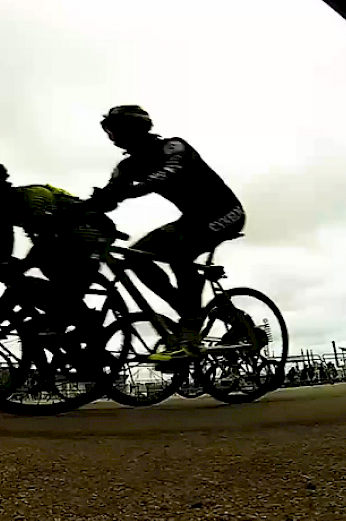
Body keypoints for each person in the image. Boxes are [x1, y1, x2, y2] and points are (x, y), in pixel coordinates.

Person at [86, 105, 246, 361]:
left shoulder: (173, 147)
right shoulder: (127, 166)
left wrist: (129, 191)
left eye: (115, 131)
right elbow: (110, 197)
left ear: (135, 128)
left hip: (227, 213)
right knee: (136, 256)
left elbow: (169, 174)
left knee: (180, 254)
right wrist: (83, 208)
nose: (112, 137)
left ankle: (191, 323)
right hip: (193, 219)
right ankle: (186, 310)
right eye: (109, 132)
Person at [0, 162, 117, 336]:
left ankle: (78, 321)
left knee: (45, 264)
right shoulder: (4, 215)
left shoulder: (33, 196)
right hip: (65, 240)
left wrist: (18, 267)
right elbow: (2, 256)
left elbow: (47, 238)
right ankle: (74, 320)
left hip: (90, 233)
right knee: (31, 272)